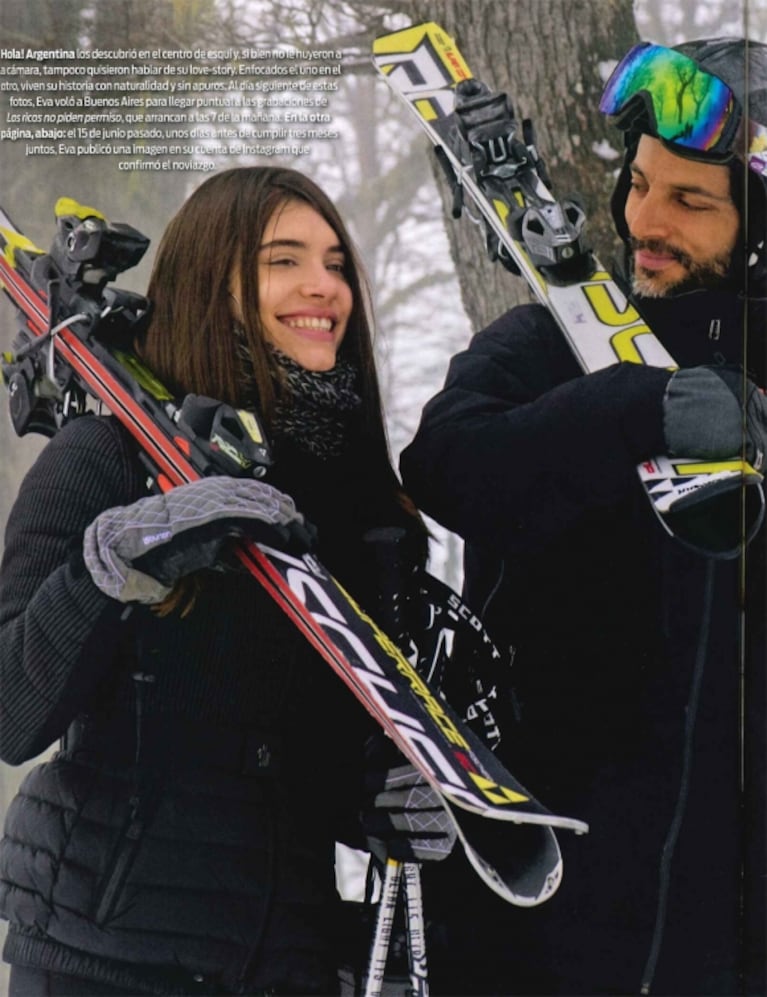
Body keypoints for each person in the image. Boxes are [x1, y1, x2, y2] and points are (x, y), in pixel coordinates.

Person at [0, 166, 454, 996]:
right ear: (214, 281)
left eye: (336, 263)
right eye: (283, 261)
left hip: (286, 960)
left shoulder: (359, 511)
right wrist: (109, 571)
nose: (324, 287)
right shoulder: (107, 461)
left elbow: (307, 760)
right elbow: (9, 712)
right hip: (106, 954)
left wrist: (381, 800)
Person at [400, 38, 767, 996]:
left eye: (689, 201)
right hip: (539, 903)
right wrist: (632, 407)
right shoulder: (544, 343)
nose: (643, 219)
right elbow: (446, 466)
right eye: (639, 185)